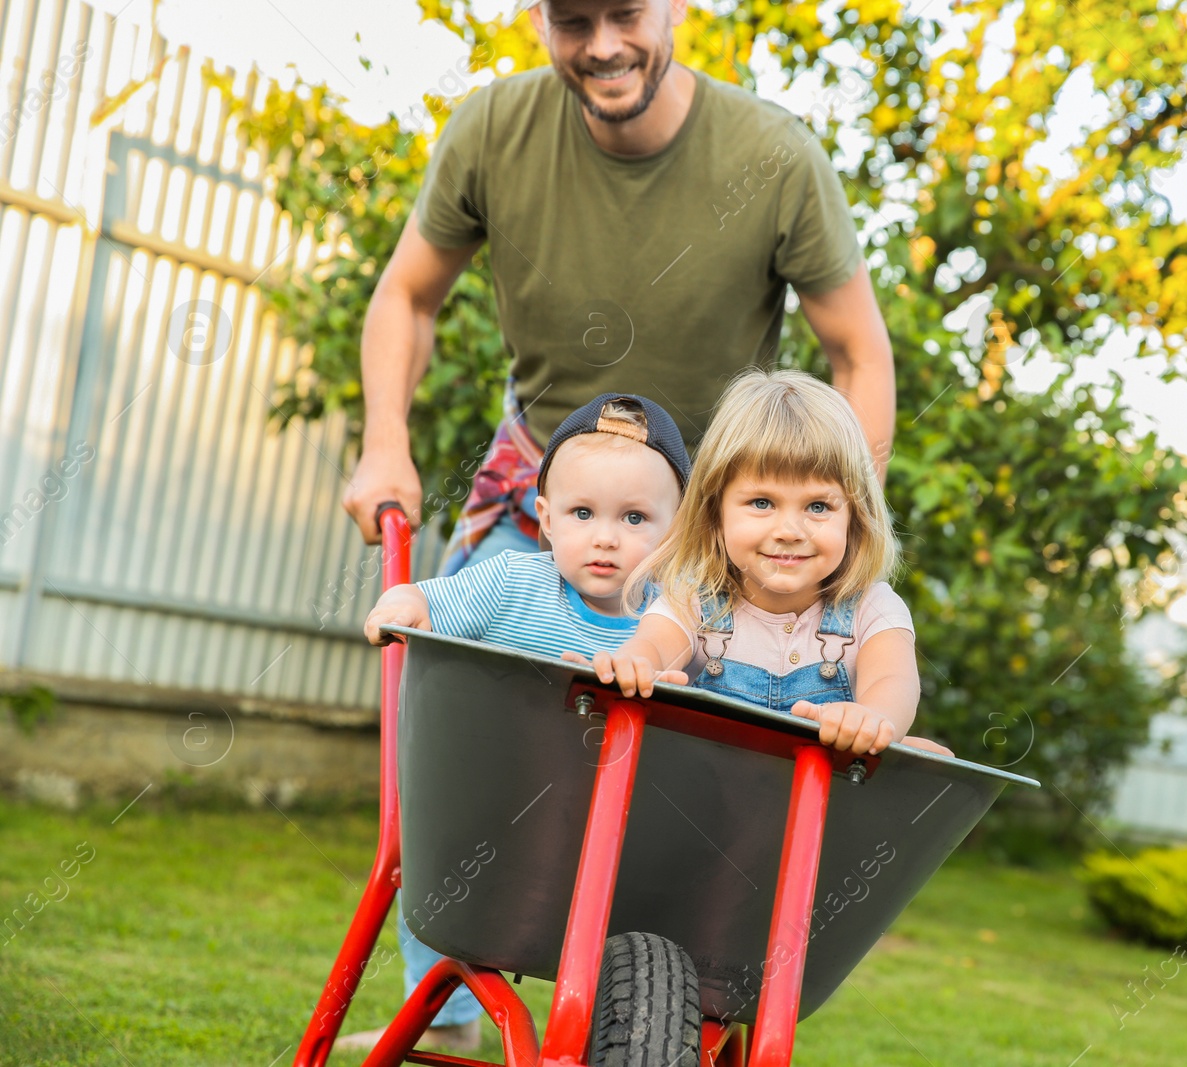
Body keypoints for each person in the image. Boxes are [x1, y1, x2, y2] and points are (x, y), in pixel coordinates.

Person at [341, 0, 897, 571]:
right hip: (541, 503)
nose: (603, 46)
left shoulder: (777, 157)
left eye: (626, 14)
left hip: (706, 528)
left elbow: (859, 356)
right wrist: (384, 441)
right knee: (449, 652)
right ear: (538, 20)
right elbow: (407, 298)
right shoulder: (491, 129)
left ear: (677, 6)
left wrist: (849, 534)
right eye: (574, 22)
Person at [338, 394, 690, 1054]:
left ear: (677, 532)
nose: (607, 536)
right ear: (547, 519)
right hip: (491, 838)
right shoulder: (511, 581)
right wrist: (403, 600)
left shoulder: (673, 629)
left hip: (619, 861)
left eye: (635, 517)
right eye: (584, 513)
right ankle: (453, 1014)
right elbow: (430, 604)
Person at [590, 370, 951, 758]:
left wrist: (873, 718)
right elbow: (654, 648)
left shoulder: (871, 609)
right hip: (711, 787)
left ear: (855, 517)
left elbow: (893, 681)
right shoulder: (694, 600)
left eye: (818, 506)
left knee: (928, 757)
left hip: (822, 793)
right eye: (762, 503)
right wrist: (634, 666)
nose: (790, 530)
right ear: (716, 512)